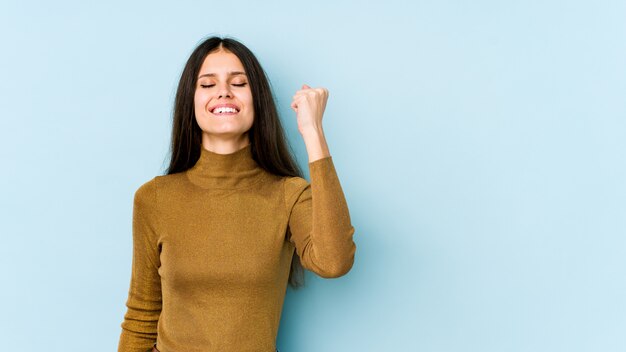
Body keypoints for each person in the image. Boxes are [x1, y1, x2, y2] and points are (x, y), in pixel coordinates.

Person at [117, 36, 357, 352]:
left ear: (257, 98)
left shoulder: (287, 194)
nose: (223, 91)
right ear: (190, 101)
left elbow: (334, 261)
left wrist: (313, 132)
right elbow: (141, 316)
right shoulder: (154, 198)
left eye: (239, 82)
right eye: (207, 84)